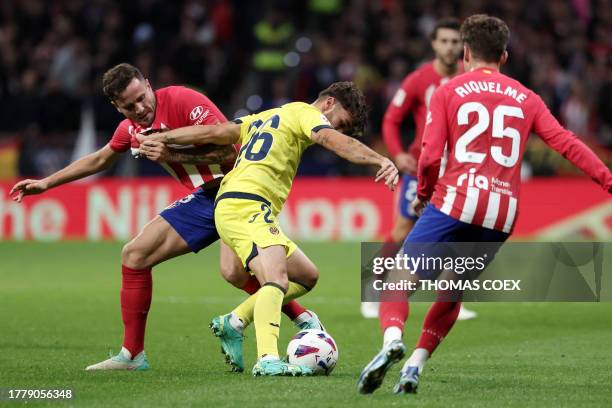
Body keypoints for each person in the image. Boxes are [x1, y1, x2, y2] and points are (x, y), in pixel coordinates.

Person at [358, 14, 612, 395]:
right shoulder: (528, 98)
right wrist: (608, 180)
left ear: (466, 53)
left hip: (453, 201)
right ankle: (414, 366)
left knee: (398, 281)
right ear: (504, 56)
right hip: (501, 214)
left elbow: (429, 156)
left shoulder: (448, 91)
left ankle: (392, 340)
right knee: (452, 289)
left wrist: (425, 191)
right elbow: (566, 143)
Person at [9, 63, 323, 371]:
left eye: (142, 97)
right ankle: (132, 355)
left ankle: (299, 323)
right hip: (205, 199)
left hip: (237, 190)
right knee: (135, 254)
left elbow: (230, 150)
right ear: (117, 107)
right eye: (129, 106)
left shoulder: (183, 100)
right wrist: (47, 182)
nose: (140, 107)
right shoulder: (131, 129)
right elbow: (101, 158)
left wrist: (172, 154)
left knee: (240, 274)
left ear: (147, 83)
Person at [139, 81, 399, 376]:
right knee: (276, 278)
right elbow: (329, 139)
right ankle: (267, 359)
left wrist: (166, 136)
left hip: (236, 202)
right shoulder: (306, 114)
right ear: (329, 104)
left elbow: (216, 132)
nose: (336, 131)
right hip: (246, 203)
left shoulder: (265, 117)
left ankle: (234, 321)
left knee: (307, 275)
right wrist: (379, 159)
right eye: (340, 123)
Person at [363, 17, 478, 322]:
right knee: (402, 230)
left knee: (459, 233)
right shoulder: (418, 79)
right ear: (434, 44)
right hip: (422, 167)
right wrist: (398, 154)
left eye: (456, 42)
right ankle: (374, 286)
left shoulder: (472, 79)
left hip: (457, 170)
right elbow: (390, 120)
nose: (450, 47)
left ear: (463, 46)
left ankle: (451, 298)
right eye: (444, 41)